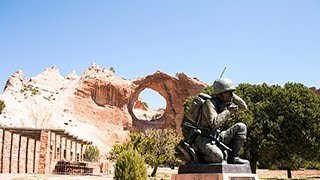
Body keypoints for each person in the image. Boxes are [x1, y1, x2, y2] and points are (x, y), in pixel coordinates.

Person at [193, 77, 249, 164]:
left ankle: (234, 158)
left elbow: (243, 107)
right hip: (204, 138)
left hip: (218, 136)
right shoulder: (209, 103)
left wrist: (231, 94)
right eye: (229, 92)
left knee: (241, 127)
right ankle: (198, 156)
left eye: (232, 92)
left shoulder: (224, 103)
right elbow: (214, 123)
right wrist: (228, 111)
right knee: (218, 158)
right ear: (220, 94)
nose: (231, 94)